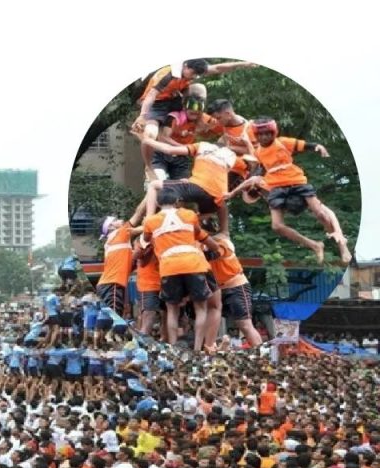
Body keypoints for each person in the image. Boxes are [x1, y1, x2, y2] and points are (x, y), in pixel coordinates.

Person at [229, 117, 352, 264]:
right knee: (277, 226)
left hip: (296, 184)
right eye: (260, 135)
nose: (263, 137)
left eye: (267, 134)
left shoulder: (280, 145)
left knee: (322, 214)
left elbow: (303, 145)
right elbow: (253, 166)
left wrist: (317, 147)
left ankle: (341, 245)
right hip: (284, 195)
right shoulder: (264, 183)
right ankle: (314, 244)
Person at [131, 59, 256, 179]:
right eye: (192, 74)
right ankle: (149, 167)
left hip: (176, 99)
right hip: (157, 104)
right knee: (150, 134)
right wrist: (143, 115)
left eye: (196, 75)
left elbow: (218, 68)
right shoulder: (168, 75)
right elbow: (151, 95)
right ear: (185, 66)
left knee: (199, 88)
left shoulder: (195, 69)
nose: (193, 77)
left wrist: (243, 63)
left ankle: (197, 117)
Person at [141, 186, 221, 351]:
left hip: (169, 267)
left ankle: (172, 346)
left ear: (157, 202)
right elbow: (200, 235)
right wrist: (217, 249)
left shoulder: (151, 221)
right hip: (193, 263)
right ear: (177, 202)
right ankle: (198, 348)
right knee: (201, 308)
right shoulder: (189, 215)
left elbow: (146, 238)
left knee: (172, 309)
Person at [133, 129, 236, 237]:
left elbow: (170, 150)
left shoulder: (203, 145)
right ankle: (223, 231)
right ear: (227, 145)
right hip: (215, 198)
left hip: (198, 187)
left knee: (154, 185)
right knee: (216, 207)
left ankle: (149, 223)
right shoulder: (232, 156)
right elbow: (215, 175)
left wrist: (147, 140)